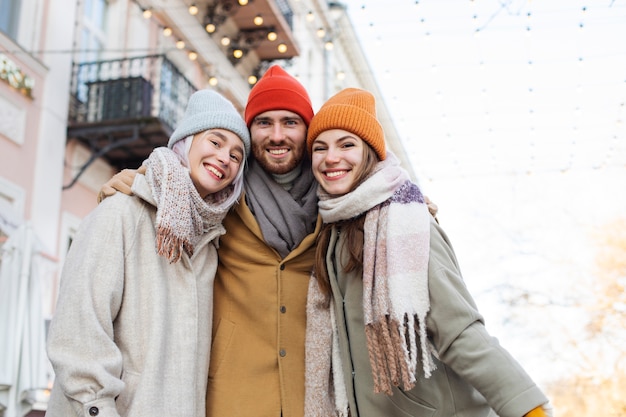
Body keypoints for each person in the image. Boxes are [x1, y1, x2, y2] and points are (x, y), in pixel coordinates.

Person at [97, 67, 439, 417]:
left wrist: (405, 206)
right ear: (249, 131)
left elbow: (376, 183)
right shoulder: (224, 192)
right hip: (233, 393)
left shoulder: (338, 198)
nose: (277, 135)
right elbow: (179, 173)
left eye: (290, 122)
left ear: (307, 131)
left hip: (314, 395)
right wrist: (139, 178)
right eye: (264, 123)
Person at [303, 88, 554, 417]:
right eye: (320, 148)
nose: (331, 157)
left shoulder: (405, 222)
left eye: (347, 144)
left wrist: (527, 408)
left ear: (370, 154)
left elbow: (459, 330)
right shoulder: (331, 231)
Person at [45, 90, 251, 417]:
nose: (225, 157)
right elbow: (78, 335)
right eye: (215, 142)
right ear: (186, 141)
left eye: (237, 155)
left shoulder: (211, 242)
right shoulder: (122, 213)